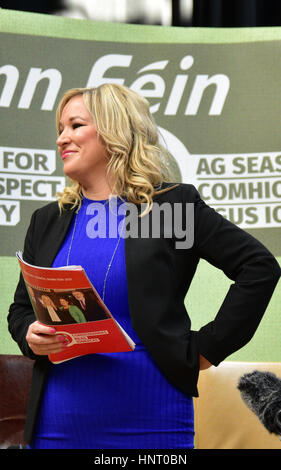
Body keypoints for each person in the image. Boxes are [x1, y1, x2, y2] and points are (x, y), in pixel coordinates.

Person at [8, 83, 280, 449]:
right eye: (60, 129)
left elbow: (258, 266)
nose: (62, 139)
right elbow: (21, 309)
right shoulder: (48, 220)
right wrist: (29, 332)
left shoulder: (172, 208)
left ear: (113, 130)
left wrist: (206, 348)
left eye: (74, 126)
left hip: (152, 417)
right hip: (59, 422)